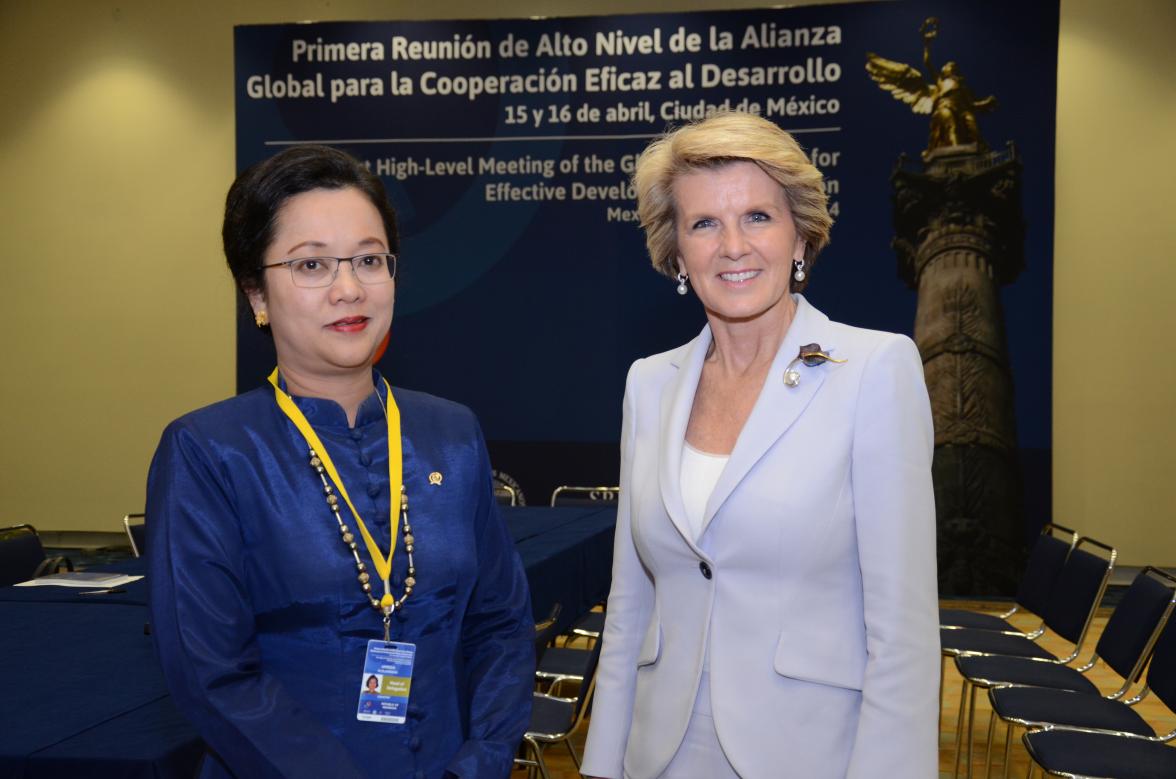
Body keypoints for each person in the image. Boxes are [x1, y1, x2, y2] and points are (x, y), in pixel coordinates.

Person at [146, 145, 534, 779]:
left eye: (368, 259)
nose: (349, 287)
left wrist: (482, 761)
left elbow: (500, 623)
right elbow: (212, 673)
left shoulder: (451, 432)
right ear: (256, 294)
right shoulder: (209, 451)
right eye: (312, 265)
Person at [580, 112, 939, 779]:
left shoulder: (875, 370)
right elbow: (631, 604)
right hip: (659, 753)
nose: (733, 246)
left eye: (758, 217)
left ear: (800, 234)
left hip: (811, 754)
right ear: (677, 251)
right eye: (705, 224)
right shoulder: (649, 384)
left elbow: (904, 631)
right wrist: (602, 766)